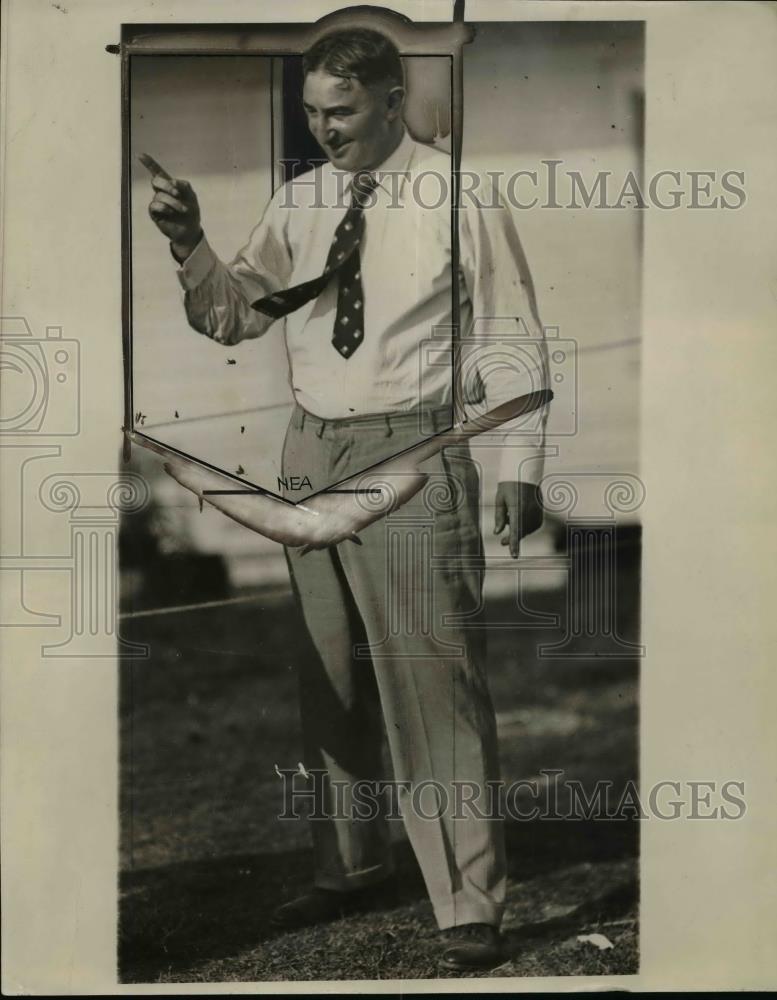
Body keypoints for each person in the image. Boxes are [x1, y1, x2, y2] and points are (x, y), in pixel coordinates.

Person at [141, 27, 550, 972]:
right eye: (313, 113)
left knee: (430, 680)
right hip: (307, 450)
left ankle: (467, 902)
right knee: (330, 677)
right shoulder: (300, 200)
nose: (324, 130)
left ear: (393, 102)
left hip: (412, 449)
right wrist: (190, 244)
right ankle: (352, 864)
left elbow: (513, 337)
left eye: (342, 112)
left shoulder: (460, 195)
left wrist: (518, 463)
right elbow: (231, 318)